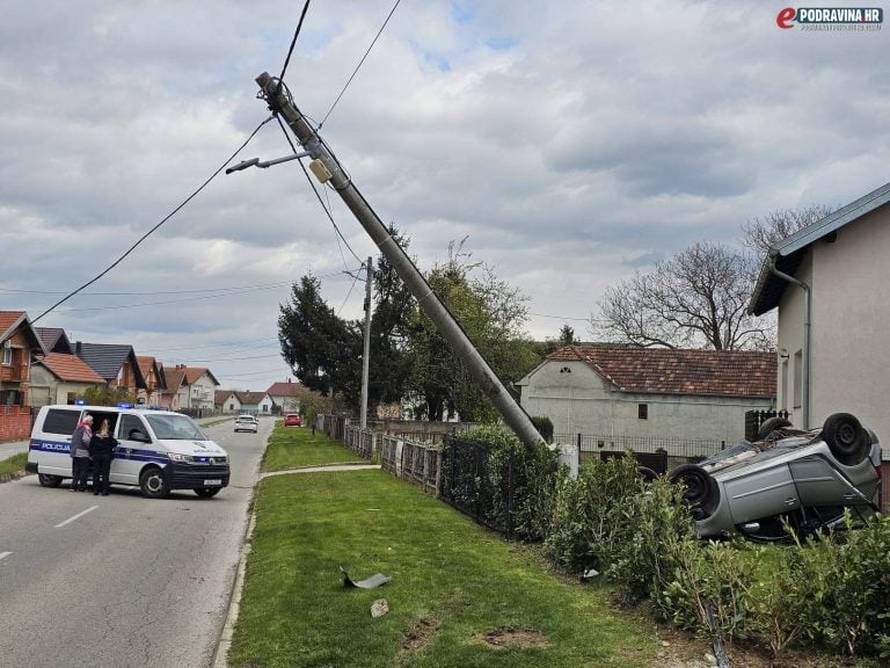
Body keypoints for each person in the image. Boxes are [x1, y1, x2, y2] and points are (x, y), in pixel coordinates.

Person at [88, 418, 118, 496]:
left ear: (101, 425)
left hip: (96, 456)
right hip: (106, 456)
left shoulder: (96, 433)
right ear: (109, 426)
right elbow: (115, 443)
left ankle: (95, 490)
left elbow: (91, 445)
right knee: (105, 474)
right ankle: (104, 491)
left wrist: (91, 455)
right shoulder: (110, 434)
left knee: (96, 473)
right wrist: (109, 438)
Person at [70, 415, 93, 492]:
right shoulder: (86, 428)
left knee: (76, 470)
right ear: (88, 421)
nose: (92, 423)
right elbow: (86, 440)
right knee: (84, 470)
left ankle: (73, 486)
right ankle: (82, 487)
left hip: (75, 451)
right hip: (83, 452)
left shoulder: (78, 427)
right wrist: (92, 448)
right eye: (91, 421)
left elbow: (73, 438)